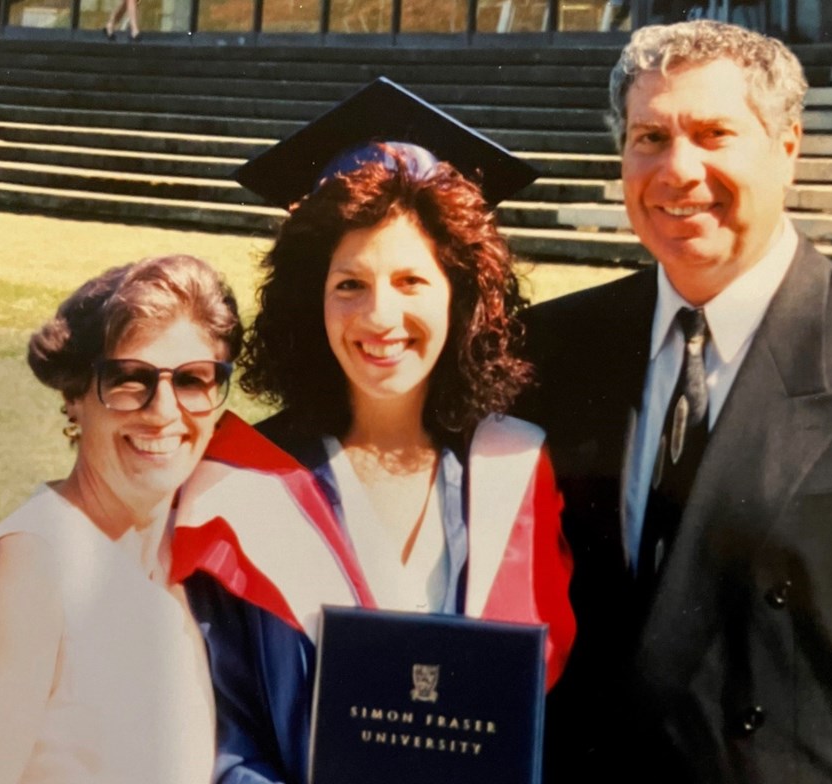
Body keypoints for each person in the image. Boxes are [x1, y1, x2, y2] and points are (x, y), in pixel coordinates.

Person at [522, 20, 832, 784]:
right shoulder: (551, 347)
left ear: (788, 150)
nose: (678, 170)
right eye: (649, 137)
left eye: (714, 134)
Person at [171, 78, 576, 783]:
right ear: (311, 301)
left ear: (462, 297)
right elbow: (219, 733)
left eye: (413, 282)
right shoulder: (240, 482)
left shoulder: (513, 473)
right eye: (349, 284)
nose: (380, 317)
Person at [0, 254, 242, 784]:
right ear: (74, 396)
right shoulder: (31, 569)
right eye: (128, 379)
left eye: (192, 380)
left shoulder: (187, 559)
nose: (163, 411)